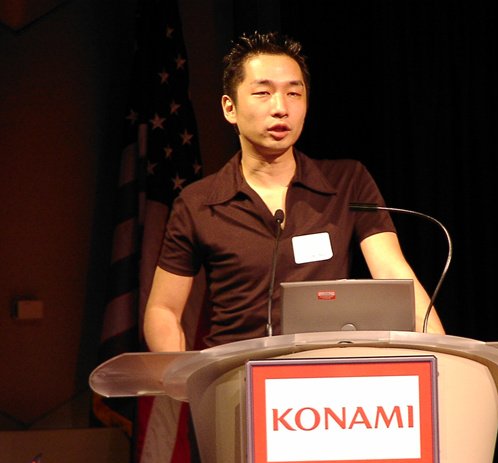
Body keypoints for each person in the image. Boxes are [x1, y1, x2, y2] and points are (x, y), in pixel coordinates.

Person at [143, 31, 445, 353]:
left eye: (294, 93)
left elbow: (393, 274)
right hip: (234, 373)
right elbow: (163, 310)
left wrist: (446, 358)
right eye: (263, 93)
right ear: (230, 108)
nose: (281, 108)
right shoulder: (198, 203)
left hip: (326, 371)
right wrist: (180, 375)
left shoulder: (347, 182)